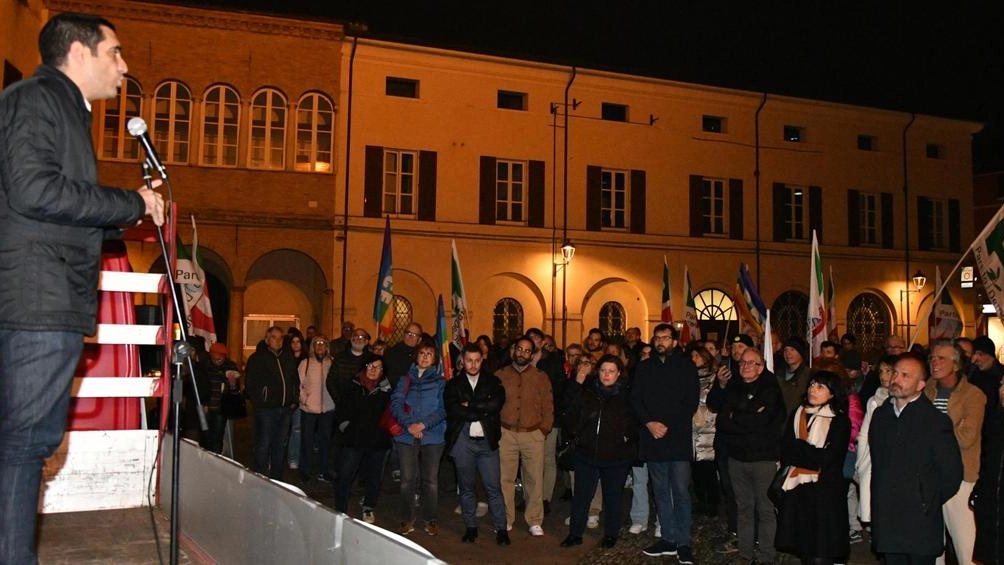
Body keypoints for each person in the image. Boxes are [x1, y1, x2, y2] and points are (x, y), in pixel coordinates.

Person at [0, 12, 165, 562]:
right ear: (78, 52)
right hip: (37, 302)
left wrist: (124, 213)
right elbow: (34, 189)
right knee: (24, 448)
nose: (124, 65)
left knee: (22, 447)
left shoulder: (61, 108)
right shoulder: (38, 99)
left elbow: (56, 200)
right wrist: (131, 203)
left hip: (42, 298)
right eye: (114, 52)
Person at [869, 352, 963, 565]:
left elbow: (951, 474)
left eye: (905, 375)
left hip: (920, 522)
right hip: (888, 518)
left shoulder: (935, 421)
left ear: (921, 384)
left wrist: (925, 498)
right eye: (895, 373)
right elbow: (879, 463)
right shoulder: (881, 417)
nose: (896, 380)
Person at [707, 347, 785, 565]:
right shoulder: (734, 387)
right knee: (743, 508)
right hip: (737, 457)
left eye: (751, 363)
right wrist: (744, 415)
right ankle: (745, 553)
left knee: (766, 509)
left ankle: (767, 556)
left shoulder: (770, 388)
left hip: (763, 459)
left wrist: (735, 417)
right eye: (742, 362)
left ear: (761, 367)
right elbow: (721, 419)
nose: (746, 366)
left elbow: (762, 421)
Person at [631, 324, 700, 563]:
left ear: (674, 341)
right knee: (660, 491)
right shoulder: (643, 368)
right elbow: (636, 399)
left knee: (680, 491)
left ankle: (683, 542)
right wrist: (650, 423)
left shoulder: (687, 367)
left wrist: (667, 424)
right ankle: (668, 538)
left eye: (666, 338)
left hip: (677, 437)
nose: (661, 341)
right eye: (658, 338)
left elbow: (690, 401)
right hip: (652, 438)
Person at [560, 354, 638, 550]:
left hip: (615, 456)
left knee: (613, 497)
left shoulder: (626, 396)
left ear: (619, 373)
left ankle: (611, 534)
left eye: (611, 371)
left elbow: (634, 423)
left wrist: (625, 440)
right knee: (581, 497)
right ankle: (575, 533)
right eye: (603, 370)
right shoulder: (587, 391)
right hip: (587, 454)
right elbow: (570, 413)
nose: (606, 375)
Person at [775, 370, 852, 565]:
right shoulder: (798, 413)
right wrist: (808, 452)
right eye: (811, 385)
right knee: (804, 551)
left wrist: (801, 448)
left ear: (832, 393)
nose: (813, 390)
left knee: (821, 553)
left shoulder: (839, 421)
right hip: (798, 492)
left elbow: (829, 458)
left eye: (820, 387)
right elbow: (786, 450)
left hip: (825, 495)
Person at [925, 340, 984, 565]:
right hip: (929, 474)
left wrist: (934, 429)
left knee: (966, 546)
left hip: (961, 476)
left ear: (956, 364)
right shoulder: (926, 389)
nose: (934, 362)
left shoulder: (973, 394)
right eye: (932, 358)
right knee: (932, 547)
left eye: (941, 358)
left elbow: (967, 438)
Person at [444, 344, 510, 546]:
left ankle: (501, 529)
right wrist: (482, 409)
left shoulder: (493, 381)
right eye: (469, 360)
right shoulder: (453, 384)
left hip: (487, 442)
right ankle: (470, 527)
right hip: (463, 441)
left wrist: (470, 406)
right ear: (462, 361)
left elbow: (496, 405)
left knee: (493, 488)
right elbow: (454, 410)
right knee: (466, 488)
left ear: (482, 360)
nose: (473, 364)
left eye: (477, 360)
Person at [497, 336, 554, 536]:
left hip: (533, 434)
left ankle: (534, 519)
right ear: (514, 350)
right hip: (506, 433)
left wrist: (543, 429)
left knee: (534, 478)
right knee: (505, 478)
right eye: (519, 349)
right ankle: (506, 517)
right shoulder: (500, 375)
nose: (522, 353)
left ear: (532, 354)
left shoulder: (540, 377)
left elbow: (548, 405)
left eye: (527, 350)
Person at [391, 341, 447, 536]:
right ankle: (406, 518)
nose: (424, 356)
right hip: (407, 435)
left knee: (430, 480)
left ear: (435, 359)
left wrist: (423, 425)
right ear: (416, 356)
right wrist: (410, 425)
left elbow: (442, 410)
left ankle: (430, 518)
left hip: (432, 435)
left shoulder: (440, 382)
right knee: (407, 479)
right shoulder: (405, 379)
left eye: (429, 354)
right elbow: (396, 404)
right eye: (422, 353)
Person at [333, 354, 392, 523]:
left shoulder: (387, 389)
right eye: (371, 366)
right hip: (354, 439)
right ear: (364, 366)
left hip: (377, 440)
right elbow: (342, 409)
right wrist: (346, 426)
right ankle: (340, 508)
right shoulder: (352, 384)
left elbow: (390, 413)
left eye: (378, 367)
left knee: (374, 476)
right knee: (345, 475)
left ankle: (368, 506)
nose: (374, 370)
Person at [245, 326, 299, 480]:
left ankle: (277, 477)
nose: (278, 341)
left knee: (280, 444)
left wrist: (294, 399)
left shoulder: (287, 358)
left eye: (280, 338)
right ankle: (260, 475)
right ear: (267, 339)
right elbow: (250, 384)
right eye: (274, 337)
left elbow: (295, 380)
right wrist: (261, 400)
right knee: (264, 442)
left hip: (285, 408)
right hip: (266, 410)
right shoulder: (257, 358)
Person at [855, 355, 898, 528]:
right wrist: (861, 462)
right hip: (872, 461)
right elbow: (864, 433)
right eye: (881, 371)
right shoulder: (874, 400)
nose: (883, 375)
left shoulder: (902, 400)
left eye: (888, 371)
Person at [972, 374, 1004, 564]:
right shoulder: (996, 420)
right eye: (1001, 384)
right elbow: (988, 462)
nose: (1002, 391)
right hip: (993, 503)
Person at [297, 335, 335, 483]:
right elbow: (299, 384)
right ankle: (305, 471)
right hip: (309, 409)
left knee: (325, 441)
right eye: (317, 344)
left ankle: (324, 471)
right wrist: (304, 399)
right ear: (313, 347)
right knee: (306, 441)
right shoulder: (305, 363)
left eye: (323, 344)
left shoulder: (331, 363)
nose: (320, 347)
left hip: (327, 408)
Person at [199, 342, 241, 454]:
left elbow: (235, 391)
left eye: (220, 359)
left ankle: (216, 458)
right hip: (206, 406)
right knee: (204, 437)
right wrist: (203, 402)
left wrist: (232, 384)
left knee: (217, 437)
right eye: (215, 359)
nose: (217, 361)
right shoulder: (204, 366)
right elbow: (200, 386)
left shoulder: (231, 366)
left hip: (221, 408)